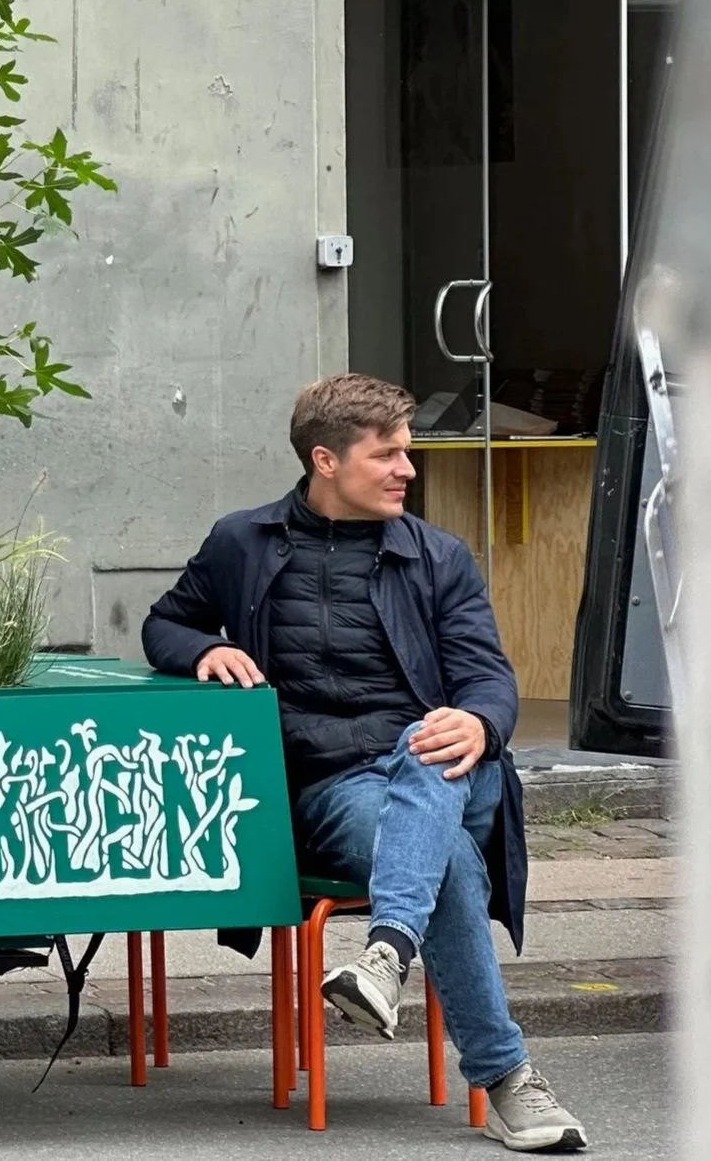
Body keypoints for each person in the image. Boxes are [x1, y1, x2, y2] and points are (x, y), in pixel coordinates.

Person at [142, 373, 587, 1153]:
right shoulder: (241, 543)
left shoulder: (438, 556)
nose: (407, 471)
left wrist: (480, 722)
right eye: (387, 456)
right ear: (326, 460)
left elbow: (488, 674)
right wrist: (206, 647)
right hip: (334, 788)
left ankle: (387, 958)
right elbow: (165, 623)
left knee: (431, 751)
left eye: (405, 454)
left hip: (451, 769)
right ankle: (500, 1067)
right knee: (442, 853)